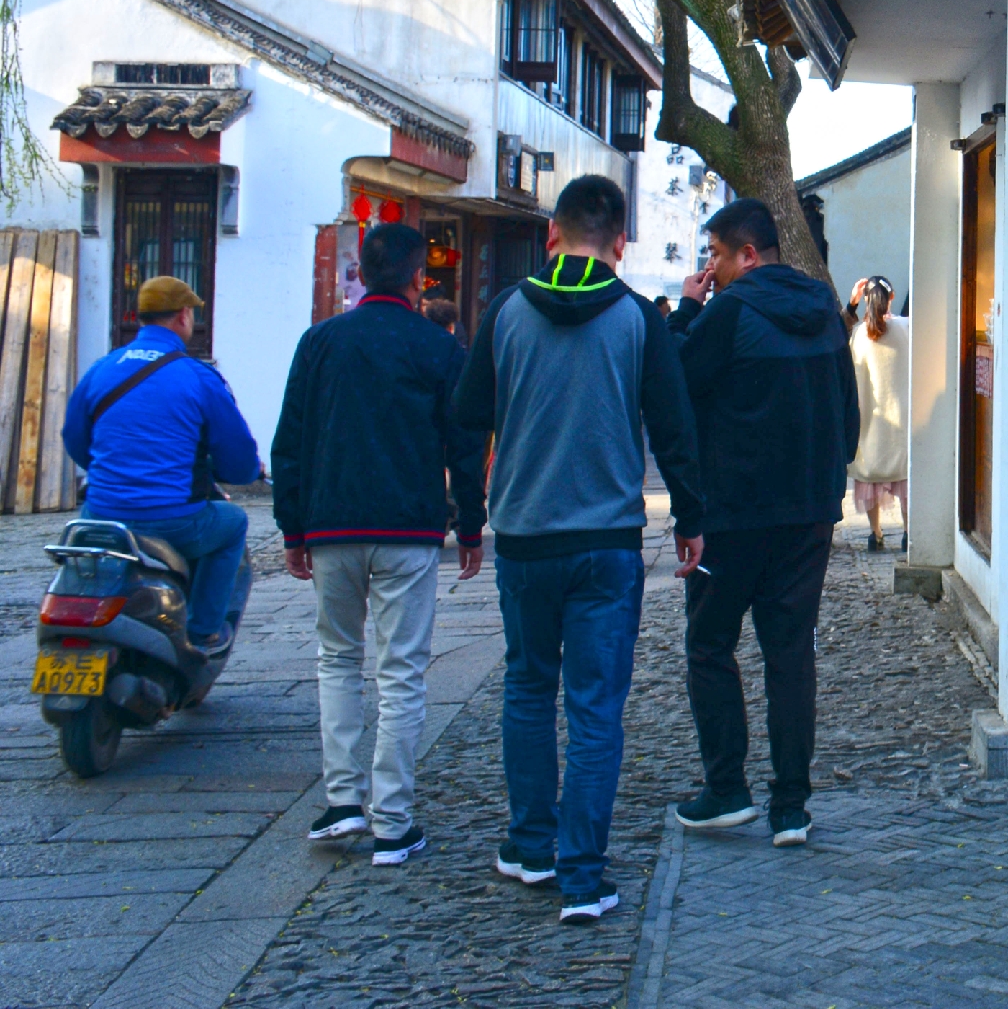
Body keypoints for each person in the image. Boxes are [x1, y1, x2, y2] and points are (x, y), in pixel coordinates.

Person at [452, 174, 704, 925]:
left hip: (524, 539)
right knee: (596, 706)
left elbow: (466, 423)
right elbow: (673, 427)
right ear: (620, 246)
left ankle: (530, 844)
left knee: (529, 687)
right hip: (606, 543)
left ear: (552, 236)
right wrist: (690, 518)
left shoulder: (503, 312)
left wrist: (470, 519)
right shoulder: (636, 319)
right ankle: (583, 876)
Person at [272, 223, 487, 867]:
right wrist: (470, 525)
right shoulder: (438, 348)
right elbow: (464, 445)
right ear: (419, 277)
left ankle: (342, 803)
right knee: (401, 672)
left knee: (336, 659)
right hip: (408, 530)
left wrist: (292, 528)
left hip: (332, 524)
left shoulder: (320, 342)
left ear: (363, 272)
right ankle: (392, 820)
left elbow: (290, 440)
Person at [667, 198, 859, 849]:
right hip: (807, 513)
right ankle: (791, 807)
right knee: (790, 652)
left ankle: (726, 788)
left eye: (716, 255)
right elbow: (849, 413)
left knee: (710, 645)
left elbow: (676, 386)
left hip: (734, 514)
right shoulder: (826, 312)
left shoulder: (729, 312)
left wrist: (688, 311)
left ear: (748, 254)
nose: (711, 269)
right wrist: (828, 480)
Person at [63, 276, 261, 652]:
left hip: (101, 513)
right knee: (233, 524)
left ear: (140, 317)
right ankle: (204, 632)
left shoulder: (101, 369)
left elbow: (75, 439)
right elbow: (238, 463)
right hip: (172, 520)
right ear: (184, 316)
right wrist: (245, 473)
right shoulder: (198, 377)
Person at [844, 276, 909, 553]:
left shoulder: (859, 333)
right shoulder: (906, 328)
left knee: (870, 475)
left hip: (870, 419)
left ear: (866, 300)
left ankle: (875, 532)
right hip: (902, 417)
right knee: (906, 477)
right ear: (891, 297)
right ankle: (909, 532)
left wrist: (851, 303)